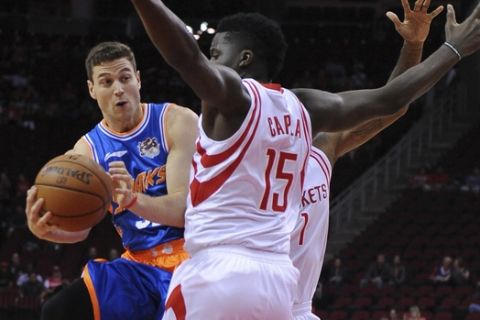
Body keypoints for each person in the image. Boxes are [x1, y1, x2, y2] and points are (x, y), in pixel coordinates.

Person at [130, 0, 480, 318]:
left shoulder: (237, 103)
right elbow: (387, 101)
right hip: (278, 285)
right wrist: (451, 49)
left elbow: (185, 56)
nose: (212, 61)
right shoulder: (305, 109)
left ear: (244, 59)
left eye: (217, 53)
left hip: (221, 271)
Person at [25, 41, 198, 320]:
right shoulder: (86, 152)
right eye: (106, 81)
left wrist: (133, 200)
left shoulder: (176, 121)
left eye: (125, 78)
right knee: (58, 311)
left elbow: (182, 211)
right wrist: (48, 230)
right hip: (139, 265)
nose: (118, 88)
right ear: (92, 89)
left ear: (138, 80)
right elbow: (81, 228)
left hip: (194, 256)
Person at [290, 1, 440, 316]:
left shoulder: (323, 147)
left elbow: (392, 104)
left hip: (297, 308)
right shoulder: (238, 158)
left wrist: (413, 45)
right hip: (247, 294)